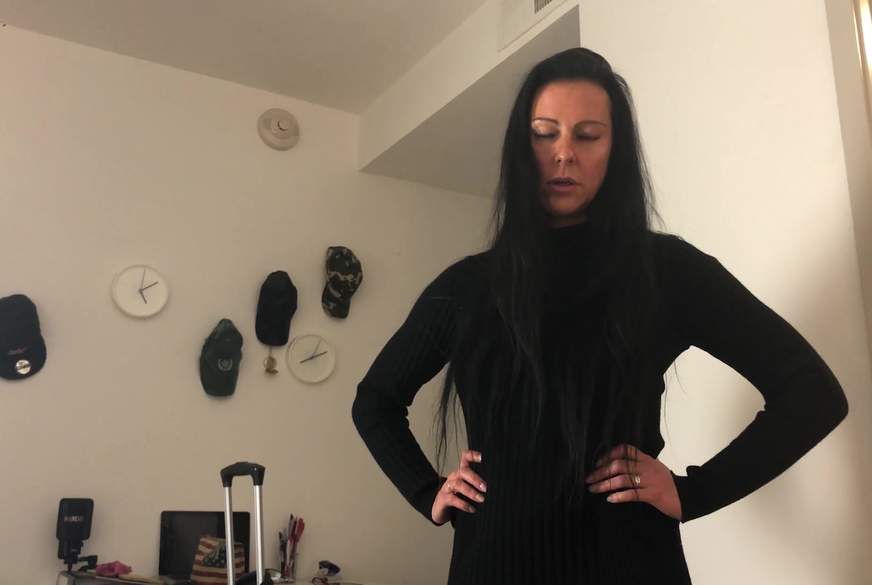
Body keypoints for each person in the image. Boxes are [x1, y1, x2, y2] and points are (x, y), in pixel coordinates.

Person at [351, 47, 849, 584]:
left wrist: (693, 492)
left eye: (587, 135)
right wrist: (427, 491)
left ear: (616, 150)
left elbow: (811, 392)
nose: (564, 153)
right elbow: (375, 400)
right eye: (544, 134)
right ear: (521, 147)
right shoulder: (467, 287)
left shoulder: (668, 271)